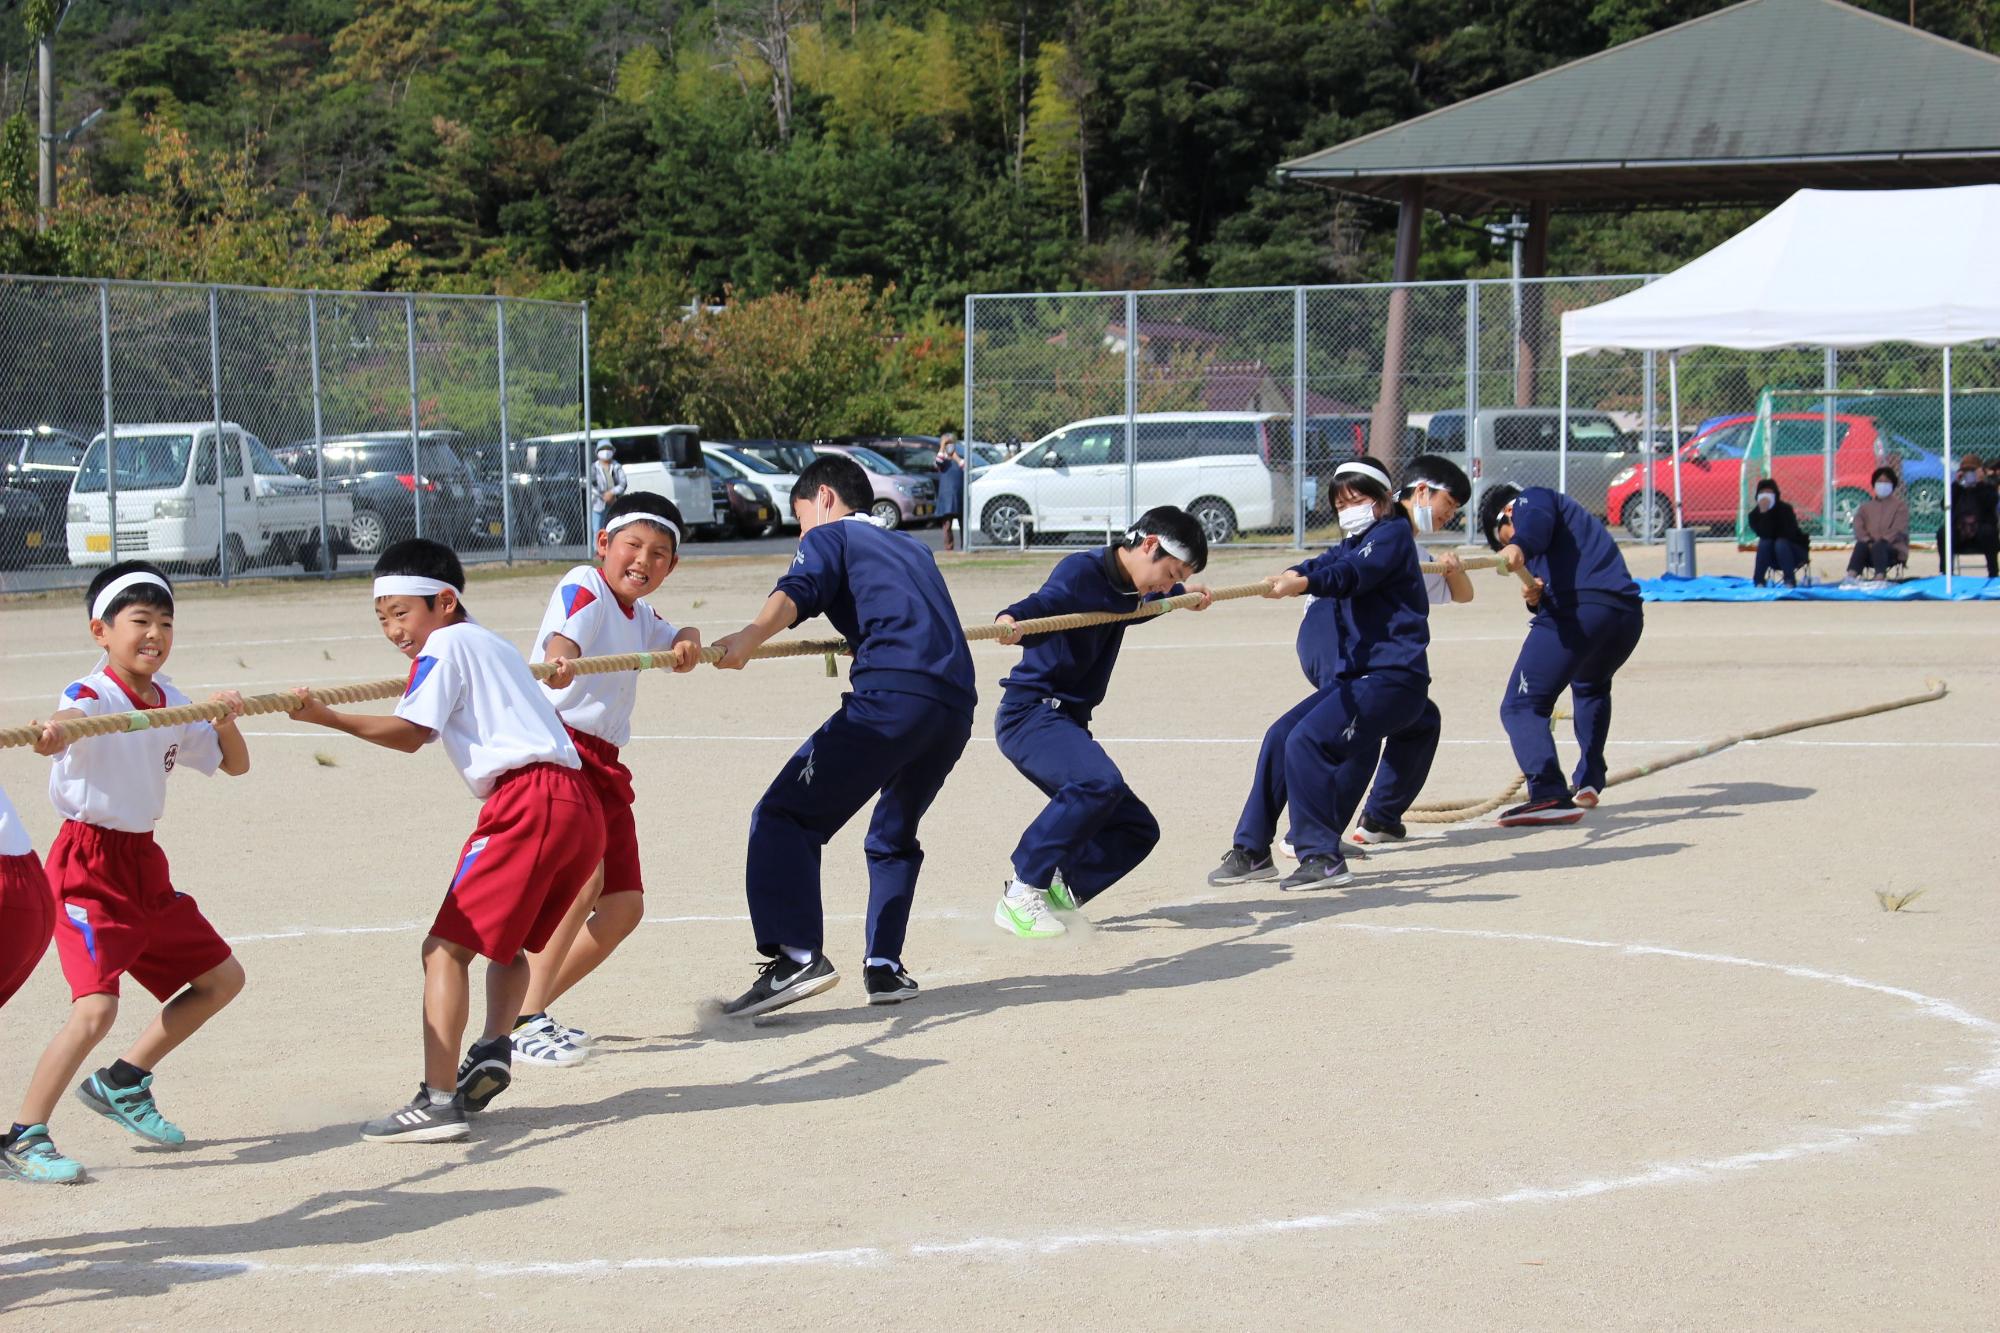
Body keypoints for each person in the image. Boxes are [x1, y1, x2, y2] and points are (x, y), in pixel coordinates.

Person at [285, 541, 604, 1143]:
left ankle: (434, 1100)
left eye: (402, 613)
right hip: (576, 805)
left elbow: (412, 733)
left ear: (445, 601)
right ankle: (492, 1046)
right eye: (382, 618)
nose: (393, 629)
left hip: (528, 799)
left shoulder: (446, 642)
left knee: (443, 950)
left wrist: (328, 718)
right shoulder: (489, 643)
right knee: (504, 947)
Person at [3, 562, 250, 1186]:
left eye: (165, 622)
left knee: (222, 979)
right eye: (139, 621)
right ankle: (24, 1135)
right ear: (101, 631)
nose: (155, 634)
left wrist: (224, 715)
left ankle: (123, 1080)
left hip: (144, 862)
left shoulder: (170, 699)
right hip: (87, 864)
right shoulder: (92, 695)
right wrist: (50, 735)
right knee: (94, 1010)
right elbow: (59, 730)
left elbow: (236, 765)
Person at [710, 454, 976, 1016]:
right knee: (892, 835)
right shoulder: (914, 548)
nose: (803, 532)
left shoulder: (832, 537)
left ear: (825, 498)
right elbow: (906, 613)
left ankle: (797, 956)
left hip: (892, 702)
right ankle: (885, 967)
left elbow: (799, 588)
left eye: (802, 518)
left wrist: (751, 635)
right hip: (952, 708)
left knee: (784, 815)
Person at [511, 493, 704, 1067]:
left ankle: (524, 1010)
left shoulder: (639, 613)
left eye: (660, 554)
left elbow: (675, 631)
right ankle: (522, 1022)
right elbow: (563, 637)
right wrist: (561, 654)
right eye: (633, 546)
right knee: (584, 881)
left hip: (605, 762)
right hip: (562, 752)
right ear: (604, 545)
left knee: (623, 907)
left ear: (671, 567)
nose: (643, 560)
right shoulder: (586, 585)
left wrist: (688, 640)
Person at [1209, 458, 1430, 892]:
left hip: (1393, 679)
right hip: (1356, 680)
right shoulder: (1355, 542)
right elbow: (1327, 561)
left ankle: (1321, 856)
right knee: (1280, 735)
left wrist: (1305, 584)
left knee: (1308, 742)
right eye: (1341, 501)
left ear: (1383, 501)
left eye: (1359, 498)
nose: (1350, 508)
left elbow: (1350, 574)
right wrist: (1295, 575)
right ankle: (1253, 849)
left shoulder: (1391, 536)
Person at [989, 507, 1212, 937]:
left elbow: (1141, 606)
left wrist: (1183, 595)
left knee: (1135, 828)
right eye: (1170, 571)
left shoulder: (1131, 588)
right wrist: (1010, 619)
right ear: (1149, 545)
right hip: (1032, 713)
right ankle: (1021, 892)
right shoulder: (1082, 571)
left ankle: (1060, 890)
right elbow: (1046, 605)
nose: (1167, 582)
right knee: (1097, 783)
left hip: (1067, 719)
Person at [1479, 483, 1645, 826]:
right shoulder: (1571, 526)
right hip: (1624, 616)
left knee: (1521, 705)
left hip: (1581, 610)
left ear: (1505, 516)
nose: (1504, 546)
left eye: (1502, 538)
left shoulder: (1531, 501)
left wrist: (1517, 546)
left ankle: (1548, 792)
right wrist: (1534, 598)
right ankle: (1589, 778)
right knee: (1590, 685)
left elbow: (1534, 522)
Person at [1936, 454, 1999, 577]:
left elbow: (1990, 502)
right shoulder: (1957, 489)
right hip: (1960, 534)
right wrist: (1956, 484)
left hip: (1981, 533)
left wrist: (1980, 483)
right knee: (1943, 532)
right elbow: (1944, 505)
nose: (1969, 474)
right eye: (1965, 471)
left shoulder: (1988, 487)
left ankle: (1993, 572)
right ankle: (1946, 572)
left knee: (1988, 532)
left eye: (1972, 471)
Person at [1846, 467, 1909, 583]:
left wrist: (1882, 541)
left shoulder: (1900, 507)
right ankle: (1851, 576)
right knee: (1861, 545)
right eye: (1880, 481)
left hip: (1892, 549)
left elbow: (1898, 528)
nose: (1883, 484)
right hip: (1868, 547)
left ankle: (1880, 577)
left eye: (1886, 482)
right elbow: (1858, 526)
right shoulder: (1865, 507)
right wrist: (1868, 541)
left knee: (1880, 546)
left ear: (1893, 485)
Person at [1746, 478, 1813, 588]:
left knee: (1780, 542)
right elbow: (1764, 534)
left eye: (1769, 492)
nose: (1765, 495)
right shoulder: (1754, 515)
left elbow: (1787, 532)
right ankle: (1759, 581)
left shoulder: (1785, 509)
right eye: (1762, 493)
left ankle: (1789, 581)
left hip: (1794, 552)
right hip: (1771, 555)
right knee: (1764, 542)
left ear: (1775, 494)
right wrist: (1764, 514)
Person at [934, 429, 966, 552]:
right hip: (946, 497)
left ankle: (965, 546)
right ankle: (949, 548)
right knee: (947, 525)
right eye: (947, 445)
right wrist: (942, 445)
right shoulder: (942, 461)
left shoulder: (959, 460)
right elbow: (938, 461)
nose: (949, 447)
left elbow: (965, 468)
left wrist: (955, 457)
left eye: (951, 444)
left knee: (962, 523)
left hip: (959, 496)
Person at [589, 442, 628, 537]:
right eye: (602, 449)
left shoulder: (616, 466)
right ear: (597, 452)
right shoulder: (594, 467)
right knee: (597, 529)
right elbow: (592, 485)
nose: (606, 451)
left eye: (608, 449)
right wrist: (604, 496)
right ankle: (597, 550)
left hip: (614, 501)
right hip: (598, 503)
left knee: (614, 527)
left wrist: (612, 493)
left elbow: (623, 483)